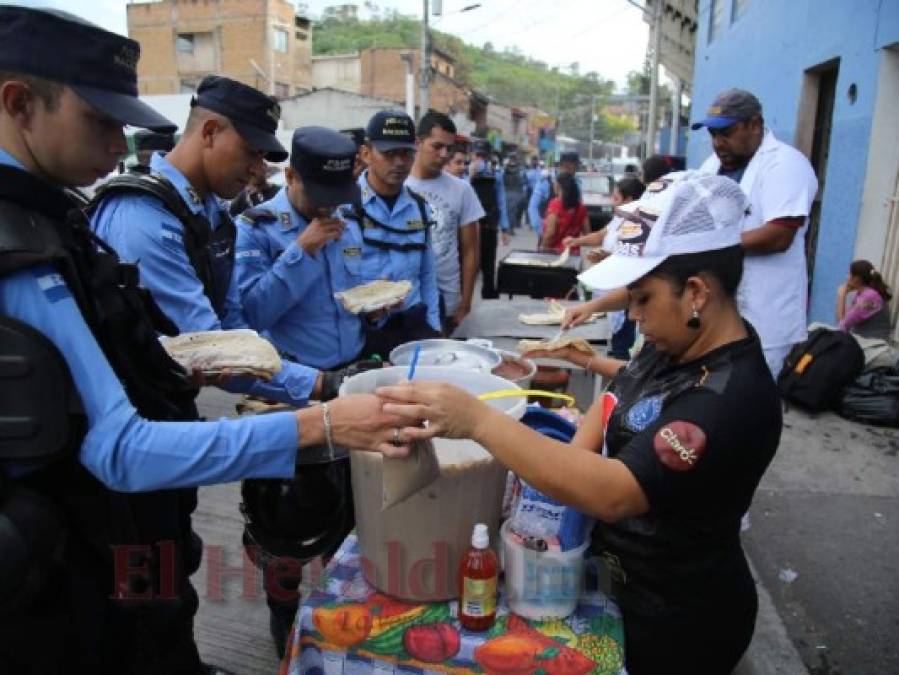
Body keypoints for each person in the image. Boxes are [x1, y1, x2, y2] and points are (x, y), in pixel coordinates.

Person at [0, 7, 413, 674]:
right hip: (72, 542)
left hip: (121, 515)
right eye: (100, 120)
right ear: (19, 103)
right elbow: (118, 445)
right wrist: (320, 416)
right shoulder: (45, 241)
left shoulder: (57, 215)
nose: (119, 140)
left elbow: (202, 335)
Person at [379, 173, 782, 675]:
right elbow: (622, 398)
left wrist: (477, 419)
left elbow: (614, 491)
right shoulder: (682, 344)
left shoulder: (729, 400)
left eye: (642, 298)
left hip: (674, 622)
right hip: (614, 585)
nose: (633, 316)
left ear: (696, 292)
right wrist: (586, 370)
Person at [91, 75, 325, 408]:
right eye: (251, 152)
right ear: (210, 131)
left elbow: (233, 327)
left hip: (172, 399)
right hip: (132, 411)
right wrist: (321, 383)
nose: (257, 168)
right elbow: (215, 350)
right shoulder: (144, 217)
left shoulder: (213, 214)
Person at [693, 89, 818, 375]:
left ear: (754, 125)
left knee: (750, 400)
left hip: (763, 311)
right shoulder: (711, 167)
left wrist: (709, 244)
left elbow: (778, 236)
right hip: (716, 308)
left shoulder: (785, 164)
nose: (718, 142)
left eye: (726, 132)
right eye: (712, 134)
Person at [357, 110, 442, 355]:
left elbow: (427, 274)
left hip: (413, 325)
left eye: (405, 153)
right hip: (364, 331)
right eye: (389, 153)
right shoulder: (345, 207)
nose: (399, 162)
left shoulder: (419, 207)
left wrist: (433, 328)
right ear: (366, 153)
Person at [406, 112, 484, 333]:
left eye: (449, 148)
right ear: (418, 143)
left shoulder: (461, 190)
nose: (444, 154)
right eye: (437, 146)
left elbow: (470, 251)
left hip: (447, 302)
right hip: (405, 301)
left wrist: (465, 304)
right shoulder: (399, 186)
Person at [563, 176, 646, 361]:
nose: (612, 202)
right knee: (608, 341)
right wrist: (576, 241)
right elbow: (603, 234)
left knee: (620, 349)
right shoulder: (619, 219)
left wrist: (608, 258)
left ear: (630, 200)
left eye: (616, 198)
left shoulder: (640, 226)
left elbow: (635, 263)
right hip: (607, 293)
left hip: (624, 296)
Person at [469, 140, 510, 299]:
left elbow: (501, 201)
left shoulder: (496, 174)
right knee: (469, 258)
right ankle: (465, 292)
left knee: (489, 258)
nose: (480, 160)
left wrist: (504, 228)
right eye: (477, 155)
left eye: (483, 156)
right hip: (470, 223)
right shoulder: (464, 170)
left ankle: (488, 290)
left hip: (489, 222)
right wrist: (470, 176)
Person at [837, 260, 892, 340]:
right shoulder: (864, 294)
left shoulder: (869, 297)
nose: (847, 277)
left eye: (849, 274)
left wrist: (842, 296)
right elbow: (846, 321)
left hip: (872, 346)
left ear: (856, 278)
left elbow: (843, 326)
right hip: (866, 342)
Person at [528, 150, 578, 238]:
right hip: (549, 236)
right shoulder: (546, 182)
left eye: (574, 169)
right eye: (570, 168)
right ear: (562, 166)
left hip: (570, 239)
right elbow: (533, 207)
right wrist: (542, 230)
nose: (573, 172)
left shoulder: (576, 184)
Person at [540, 172, 589, 254]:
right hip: (574, 253)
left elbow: (550, 233)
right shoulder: (581, 207)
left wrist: (543, 247)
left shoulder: (555, 204)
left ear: (558, 186)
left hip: (555, 253)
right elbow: (587, 233)